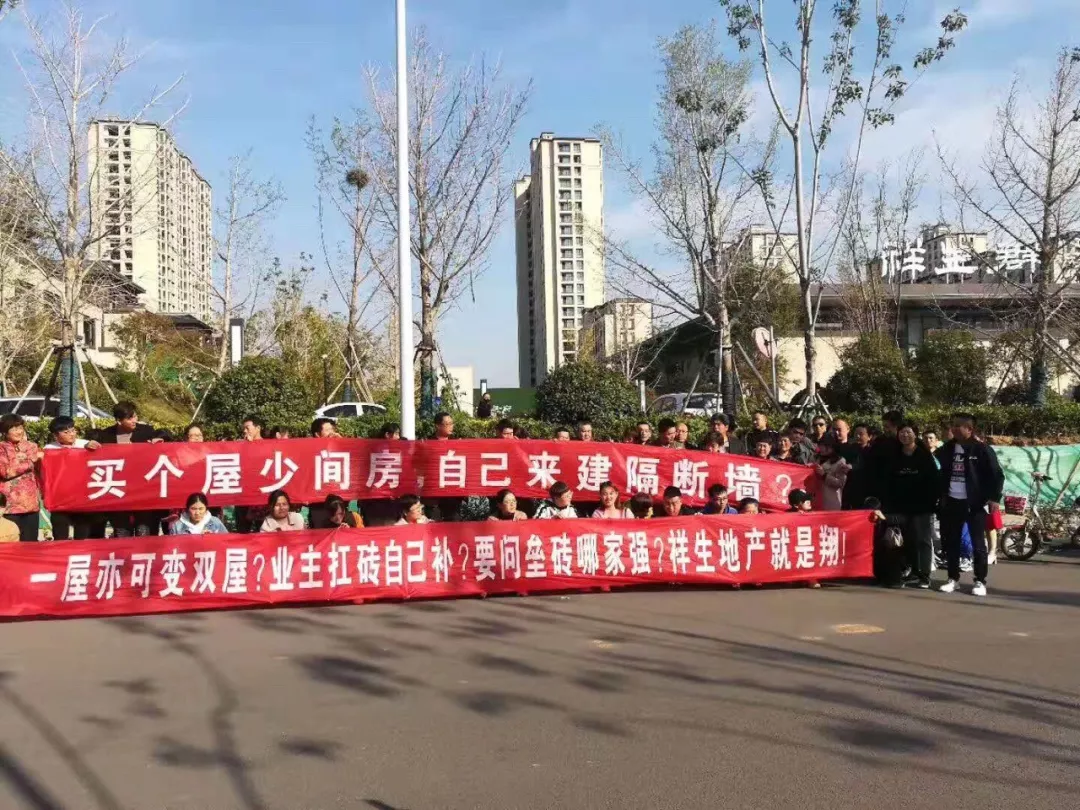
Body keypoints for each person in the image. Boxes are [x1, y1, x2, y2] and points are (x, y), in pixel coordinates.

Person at [935, 413, 1004, 597]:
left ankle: (980, 581)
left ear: (970, 429)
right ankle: (952, 579)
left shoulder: (981, 450)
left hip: (973, 505)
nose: (955, 429)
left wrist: (994, 498)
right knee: (951, 543)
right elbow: (936, 469)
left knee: (978, 545)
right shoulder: (947, 449)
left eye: (960, 426)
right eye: (954, 425)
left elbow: (996, 475)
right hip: (952, 503)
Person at [93, 402, 167, 537]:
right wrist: (89, 444)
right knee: (121, 531)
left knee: (143, 530)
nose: (135, 421)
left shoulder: (146, 431)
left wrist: (159, 438)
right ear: (118, 420)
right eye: (130, 418)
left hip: (142, 489)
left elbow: (165, 434)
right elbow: (90, 440)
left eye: (135, 416)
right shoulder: (106, 435)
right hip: (118, 490)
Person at [880, 423, 939, 589]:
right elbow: (888, 481)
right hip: (900, 506)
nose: (904, 435)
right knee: (908, 540)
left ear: (915, 435)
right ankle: (913, 571)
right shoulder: (895, 456)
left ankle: (925, 576)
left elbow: (934, 481)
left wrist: (932, 501)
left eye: (908, 432)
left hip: (922, 506)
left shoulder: (924, 456)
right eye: (902, 432)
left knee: (923, 540)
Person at [44, 416, 102, 540]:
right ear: (56, 435)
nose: (72, 434)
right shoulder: (49, 450)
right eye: (66, 432)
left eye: (73, 430)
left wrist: (93, 446)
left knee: (82, 535)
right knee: (60, 536)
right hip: (60, 499)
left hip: (82, 498)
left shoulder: (84, 444)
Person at [0, 414, 43, 542]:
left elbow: (40, 469)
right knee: (10, 543)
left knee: (31, 544)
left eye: (20, 427)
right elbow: (5, 471)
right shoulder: (1, 448)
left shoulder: (32, 446)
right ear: (4, 431)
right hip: (9, 505)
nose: (18, 431)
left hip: (31, 504)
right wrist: (30, 462)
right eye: (13, 429)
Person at [813, 437, 849, 511]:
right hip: (816, 498)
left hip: (831, 501)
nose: (821, 448)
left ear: (832, 447)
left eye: (824, 446)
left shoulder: (840, 461)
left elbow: (840, 483)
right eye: (820, 445)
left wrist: (824, 475)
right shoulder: (817, 459)